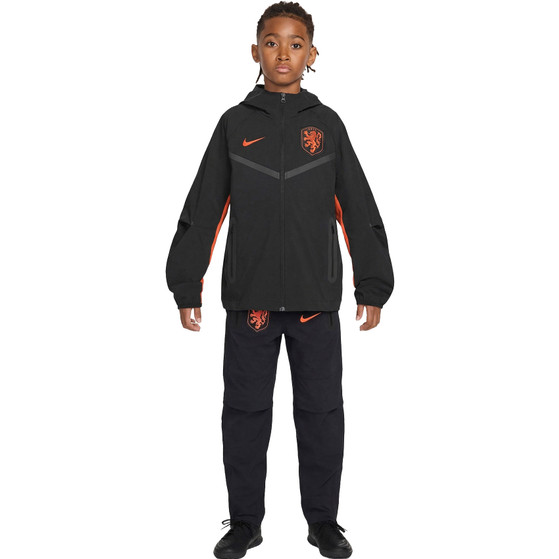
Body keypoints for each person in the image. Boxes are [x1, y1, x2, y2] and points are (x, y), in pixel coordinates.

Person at [165, 2, 394, 557]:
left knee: (322, 414)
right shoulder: (234, 124)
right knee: (244, 414)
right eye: (272, 42)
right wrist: (187, 283)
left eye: (295, 44)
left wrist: (372, 284)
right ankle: (245, 523)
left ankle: (324, 523)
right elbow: (203, 207)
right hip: (251, 302)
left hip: (317, 301)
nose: (283, 53)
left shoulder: (328, 125)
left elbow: (358, 207)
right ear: (255, 51)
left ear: (312, 54)